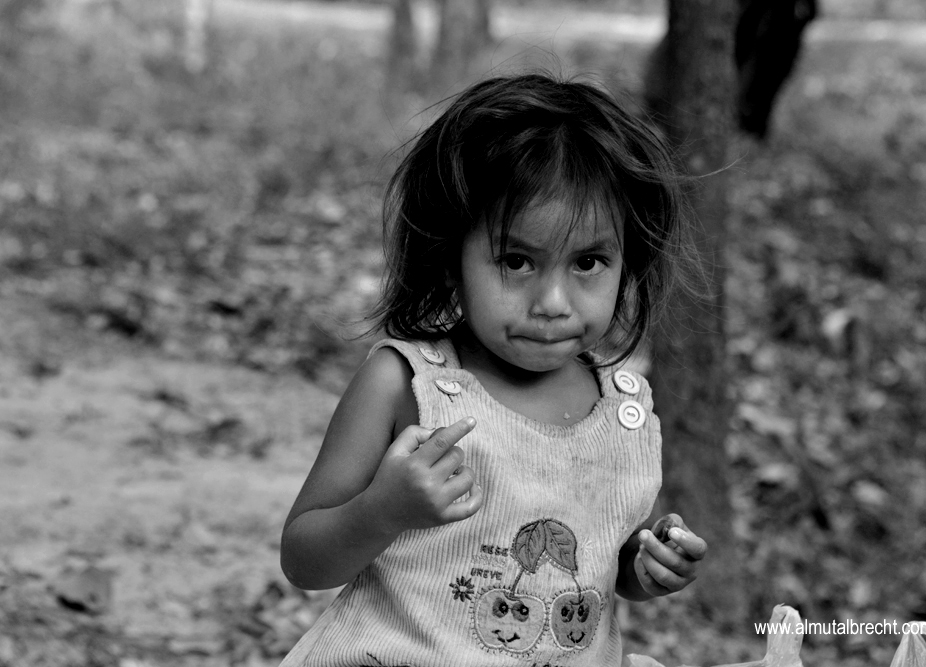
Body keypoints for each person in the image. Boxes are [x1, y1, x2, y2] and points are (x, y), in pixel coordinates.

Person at [279, 73, 709, 666]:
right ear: (449, 258)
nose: (553, 302)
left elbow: (600, 570)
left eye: (588, 262)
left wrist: (645, 566)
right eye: (516, 260)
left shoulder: (621, 412)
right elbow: (303, 559)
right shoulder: (406, 385)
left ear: (625, 262)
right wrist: (381, 510)